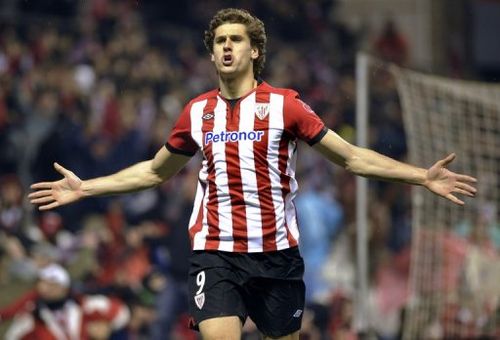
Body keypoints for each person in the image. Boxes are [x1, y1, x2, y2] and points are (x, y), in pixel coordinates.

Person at [28, 8, 477, 340]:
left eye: (235, 39)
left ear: (254, 50)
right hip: (215, 253)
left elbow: (351, 158)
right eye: (219, 40)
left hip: (277, 256)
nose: (225, 46)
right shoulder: (197, 112)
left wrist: (421, 176)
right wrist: (86, 187)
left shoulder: (286, 106)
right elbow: (153, 171)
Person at [4, 263, 130, 340]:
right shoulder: (31, 316)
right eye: (43, 283)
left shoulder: (83, 305)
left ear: (64, 288)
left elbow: (122, 313)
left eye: (52, 284)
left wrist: (105, 326)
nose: (45, 289)